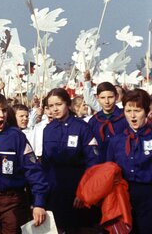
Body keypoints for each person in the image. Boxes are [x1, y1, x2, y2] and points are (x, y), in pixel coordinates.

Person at [0, 91, 48, 233]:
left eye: (4, 110)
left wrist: (39, 203)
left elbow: (33, 170)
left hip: (13, 201)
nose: (1, 115)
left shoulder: (16, 137)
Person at [41, 88, 100, 231]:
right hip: (55, 191)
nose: (55, 109)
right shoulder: (47, 130)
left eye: (59, 104)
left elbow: (93, 162)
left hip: (77, 190)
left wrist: (83, 192)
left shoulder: (82, 127)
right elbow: (45, 164)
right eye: (51, 106)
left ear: (68, 104)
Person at [106, 89, 152, 234]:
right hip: (123, 194)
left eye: (137, 110)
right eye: (128, 110)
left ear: (146, 111)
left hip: (148, 193)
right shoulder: (117, 140)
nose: (132, 115)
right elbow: (109, 169)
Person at [87, 82, 127, 162]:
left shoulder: (125, 117)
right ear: (97, 98)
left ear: (116, 97)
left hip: (123, 164)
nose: (107, 101)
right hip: (101, 165)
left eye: (110, 97)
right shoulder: (94, 121)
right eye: (102, 98)